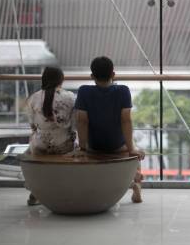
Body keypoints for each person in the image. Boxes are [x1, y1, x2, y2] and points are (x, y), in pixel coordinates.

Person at [75, 56, 145, 203]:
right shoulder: (123, 91)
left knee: (84, 148)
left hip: (93, 147)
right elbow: (126, 120)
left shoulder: (83, 91)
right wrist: (131, 148)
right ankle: (136, 183)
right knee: (135, 150)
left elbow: (82, 121)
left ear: (92, 76)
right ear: (113, 74)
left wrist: (82, 148)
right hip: (118, 147)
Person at [25, 66, 77, 205]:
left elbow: (32, 126)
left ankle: (34, 193)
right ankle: (64, 192)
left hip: (40, 145)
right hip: (64, 145)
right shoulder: (71, 97)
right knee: (75, 147)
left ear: (44, 79)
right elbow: (74, 124)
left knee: (31, 147)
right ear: (61, 80)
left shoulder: (33, 98)